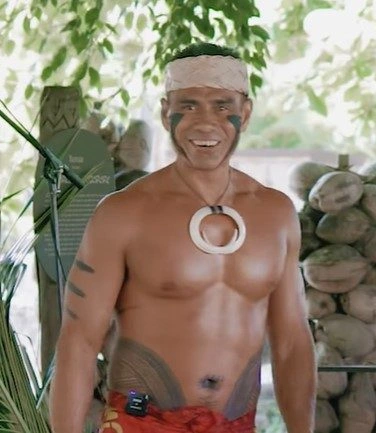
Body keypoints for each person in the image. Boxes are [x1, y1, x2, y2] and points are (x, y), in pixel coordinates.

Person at [50, 43, 316, 433]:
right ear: (165, 112)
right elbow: (79, 341)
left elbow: (292, 341)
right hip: (141, 421)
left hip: (236, 425)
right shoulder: (124, 213)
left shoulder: (275, 214)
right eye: (188, 105)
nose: (205, 122)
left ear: (245, 112)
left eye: (223, 106)